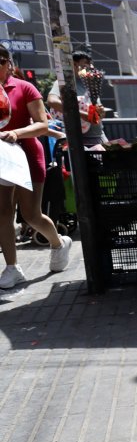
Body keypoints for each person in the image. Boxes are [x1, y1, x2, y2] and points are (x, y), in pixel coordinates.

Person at [0, 45, 71, 288]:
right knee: (3, 213)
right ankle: (12, 267)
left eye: (0, 60)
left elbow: (42, 125)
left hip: (26, 155)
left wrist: (16, 132)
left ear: (9, 63)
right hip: (0, 157)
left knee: (30, 214)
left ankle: (58, 243)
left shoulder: (24, 87)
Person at [46, 50, 106, 148]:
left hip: (97, 135)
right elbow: (52, 101)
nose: (89, 69)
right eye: (84, 66)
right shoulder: (64, 83)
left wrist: (101, 112)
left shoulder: (90, 83)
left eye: (90, 66)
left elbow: (99, 113)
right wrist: (81, 114)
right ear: (74, 65)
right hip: (76, 137)